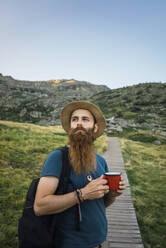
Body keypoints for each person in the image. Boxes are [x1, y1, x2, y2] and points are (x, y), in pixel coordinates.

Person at [34, 101, 126, 248]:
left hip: (98, 241)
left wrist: (113, 195)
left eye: (85, 119)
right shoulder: (58, 158)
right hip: (68, 243)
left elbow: (102, 204)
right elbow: (40, 206)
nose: (79, 123)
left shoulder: (101, 161)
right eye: (75, 119)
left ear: (95, 127)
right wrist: (82, 194)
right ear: (70, 126)